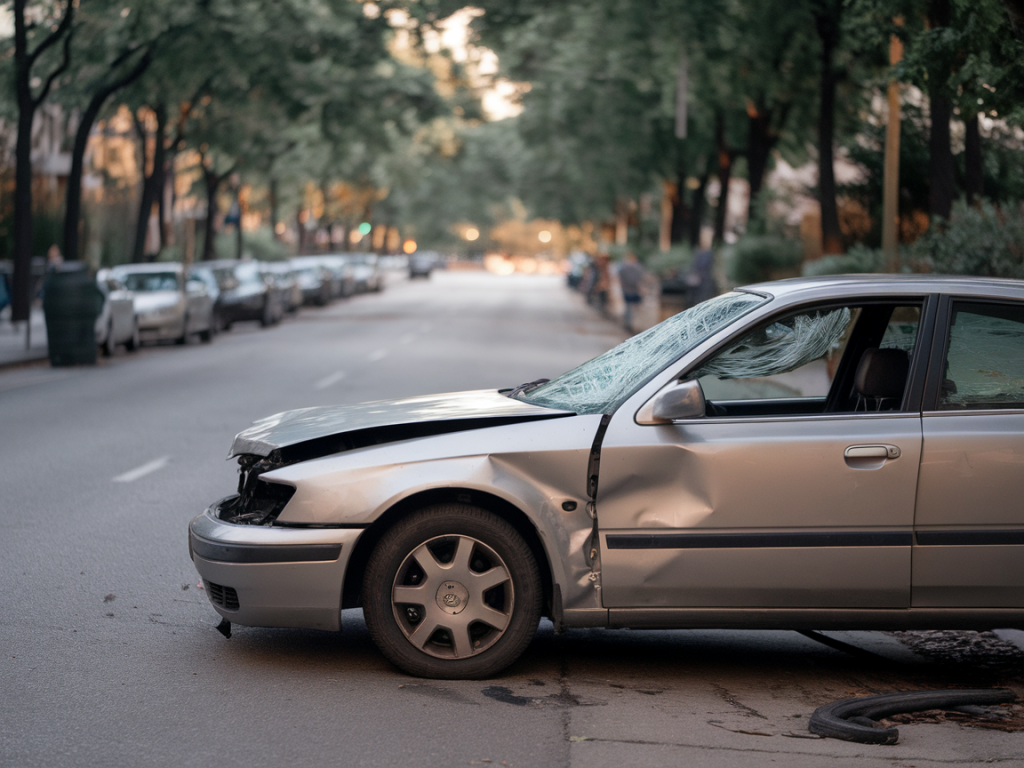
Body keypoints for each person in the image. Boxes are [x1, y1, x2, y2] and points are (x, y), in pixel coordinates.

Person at [617, 251, 645, 332]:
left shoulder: (623, 267)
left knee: (628, 307)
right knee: (633, 308)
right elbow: (642, 279)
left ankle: (629, 323)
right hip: (634, 290)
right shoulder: (639, 268)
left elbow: (620, 277)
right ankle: (632, 324)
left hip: (628, 290)